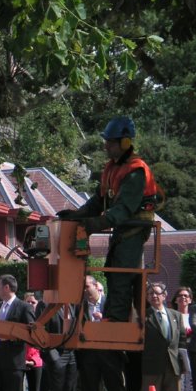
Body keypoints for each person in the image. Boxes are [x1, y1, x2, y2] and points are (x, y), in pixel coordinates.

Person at [58, 116, 159, 322]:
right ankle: (114, 317)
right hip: (121, 229)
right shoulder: (112, 168)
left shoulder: (136, 171)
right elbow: (98, 200)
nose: (105, 146)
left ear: (125, 143)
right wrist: (78, 215)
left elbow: (123, 209)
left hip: (134, 229)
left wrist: (95, 224)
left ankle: (117, 319)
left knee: (121, 273)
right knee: (113, 271)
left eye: (110, 142)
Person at [76, 275, 133, 391]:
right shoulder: (79, 305)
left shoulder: (111, 304)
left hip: (110, 352)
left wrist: (105, 322)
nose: (85, 290)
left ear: (95, 285)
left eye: (87, 287)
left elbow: (121, 324)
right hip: (88, 354)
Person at [142, 282, 185, 391]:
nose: (154, 296)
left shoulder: (176, 315)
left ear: (164, 295)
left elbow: (182, 340)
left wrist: (182, 362)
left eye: (157, 293)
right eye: (150, 294)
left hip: (173, 363)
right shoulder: (143, 315)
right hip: (152, 363)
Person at [38, 301, 81, 391]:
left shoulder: (72, 304)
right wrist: (51, 356)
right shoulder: (45, 304)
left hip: (71, 352)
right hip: (55, 351)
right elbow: (40, 330)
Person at [171, 286, 196, 391]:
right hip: (177, 356)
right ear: (175, 299)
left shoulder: (194, 316)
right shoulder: (172, 315)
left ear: (190, 299)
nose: (183, 298)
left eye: (186, 296)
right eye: (180, 296)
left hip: (192, 356)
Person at [23, 293, 43, 391]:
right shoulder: (21, 318)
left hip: (36, 361)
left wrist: (34, 360)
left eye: (33, 302)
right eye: (28, 302)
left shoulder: (42, 318)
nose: (31, 304)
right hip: (21, 360)